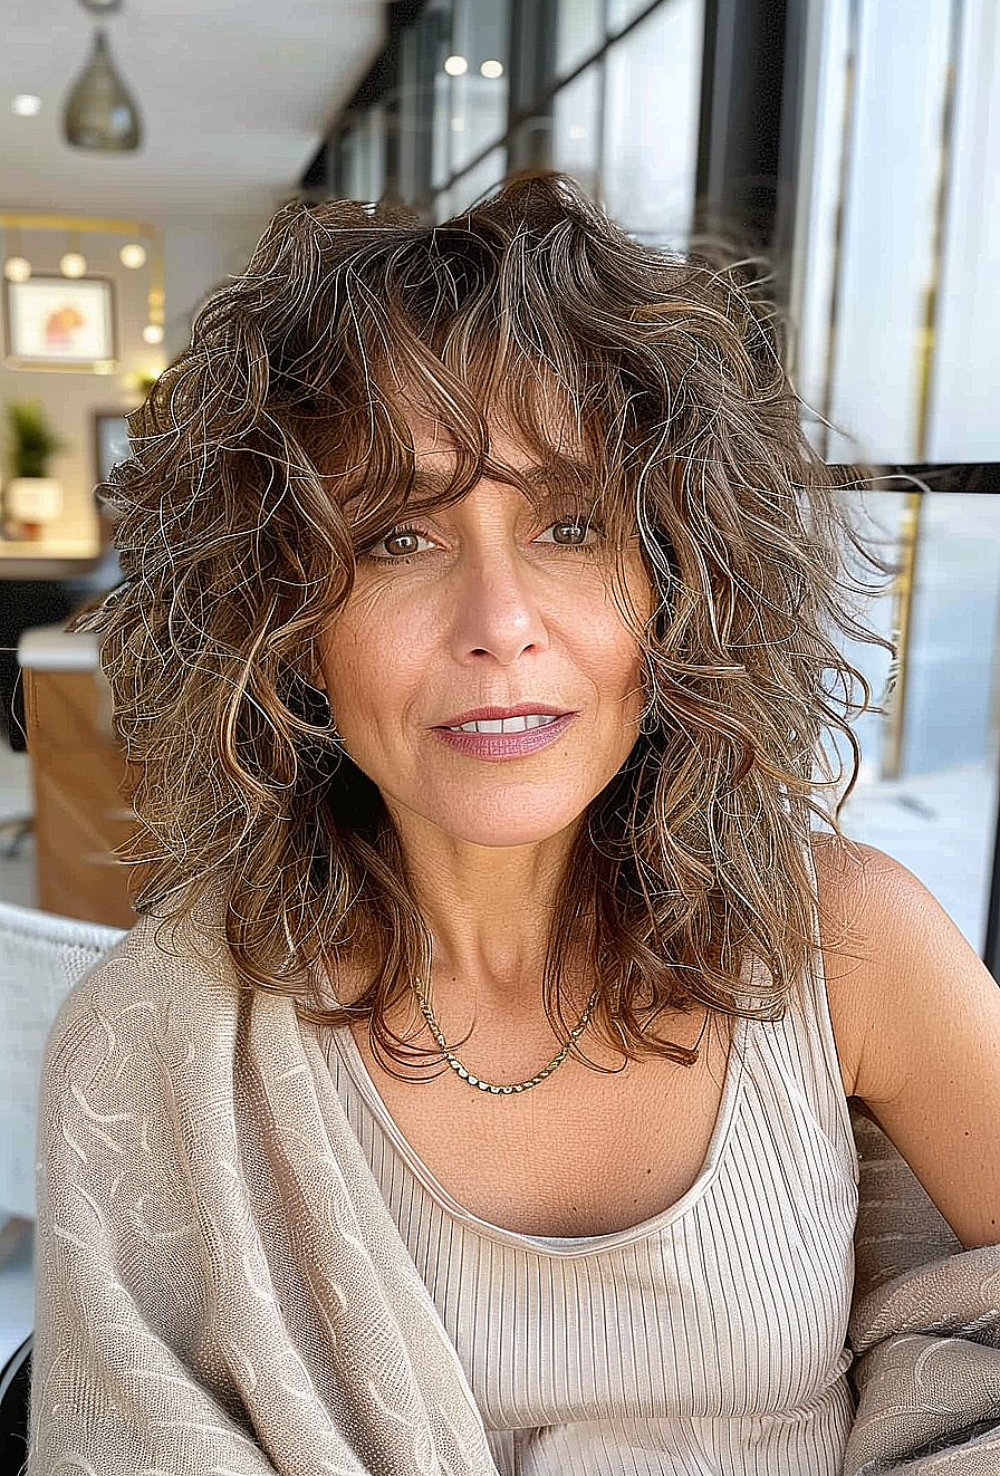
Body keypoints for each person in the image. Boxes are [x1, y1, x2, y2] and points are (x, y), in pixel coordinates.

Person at [27, 172, 1000, 1476]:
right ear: (288, 631)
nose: (500, 621)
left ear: (678, 587)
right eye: (397, 541)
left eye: (571, 523)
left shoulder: (846, 938)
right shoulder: (157, 1038)